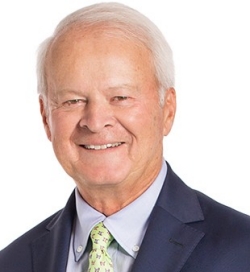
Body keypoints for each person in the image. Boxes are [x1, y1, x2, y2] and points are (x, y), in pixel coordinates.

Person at [0, 2, 250, 272]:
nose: (95, 122)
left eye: (120, 97)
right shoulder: (12, 263)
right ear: (46, 117)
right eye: (72, 100)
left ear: (167, 109)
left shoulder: (242, 251)